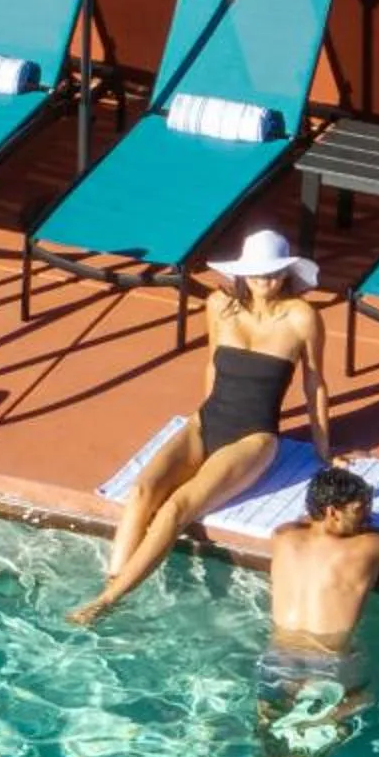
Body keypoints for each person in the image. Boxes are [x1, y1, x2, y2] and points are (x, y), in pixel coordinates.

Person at [69, 226, 328, 628]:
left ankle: (106, 603)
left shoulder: (301, 316)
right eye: (259, 274)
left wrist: (325, 450)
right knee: (142, 490)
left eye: (275, 274)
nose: (267, 282)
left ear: (288, 273)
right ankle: (115, 581)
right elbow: (212, 362)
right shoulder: (219, 305)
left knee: (176, 508)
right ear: (242, 274)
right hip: (207, 419)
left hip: (254, 436)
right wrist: (200, 418)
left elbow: (314, 382)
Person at [254, 463, 379, 757]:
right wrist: (378, 533)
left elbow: (304, 524)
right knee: (364, 697)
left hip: (276, 657)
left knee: (271, 719)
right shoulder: (367, 547)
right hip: (330, 660)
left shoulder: (283, 536)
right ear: (332, 512)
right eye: (360, 510)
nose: (367, 516)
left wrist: (352, 524)